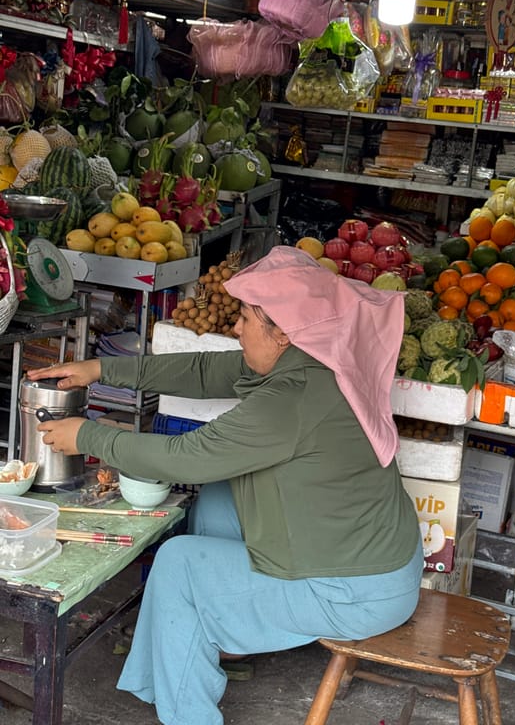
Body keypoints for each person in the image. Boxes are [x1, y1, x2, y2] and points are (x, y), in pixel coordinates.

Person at [28, 245, 423, 725]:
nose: (236, 328)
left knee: (179, 564)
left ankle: (189, 711)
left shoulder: (291, 398)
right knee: (218, 498)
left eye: (245, 319)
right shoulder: (314, 357)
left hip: (352, 591)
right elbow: (203, 370)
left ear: (283, 333)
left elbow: (186, 457)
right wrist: (101, 370)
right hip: (368, 558)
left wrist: (88, 436)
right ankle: (209, 637)